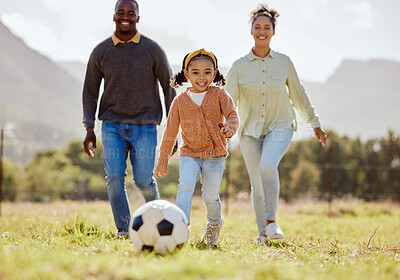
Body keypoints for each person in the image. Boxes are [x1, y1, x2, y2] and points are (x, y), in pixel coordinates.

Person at [225, 4, 327, 243]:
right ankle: (263, 233)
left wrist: (314, 123)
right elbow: (227, 102)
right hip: (249, 131)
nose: (262, 31)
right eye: (257, 27)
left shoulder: (284, 62)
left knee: (268, 166)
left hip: (281, 125)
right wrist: (223, 127)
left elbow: (298, 95)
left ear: (273, 32)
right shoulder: (239, 66)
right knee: (257, 184)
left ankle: (271, 221)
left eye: (267, 27)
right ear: (251, 30)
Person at [82, 0, 176, 237]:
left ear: (137, 18)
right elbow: (90, 90)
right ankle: (124, 230)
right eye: (121, 13)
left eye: (130, 13)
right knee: (114, 178)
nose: (125, 17)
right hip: (112, 125)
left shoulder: (152, 50)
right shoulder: (101, 51)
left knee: (144, 181)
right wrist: (89, 127)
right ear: (114, 16)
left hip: (145, 126)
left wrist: (173, 131)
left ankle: (157, 221)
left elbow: (169, 87)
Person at [154, 49, 240, 247]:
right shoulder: (179, 102)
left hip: (215, 154)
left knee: (210, 196)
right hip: (189, 153)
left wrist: (230, 127)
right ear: (186, 73)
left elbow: (233, 116)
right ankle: (180, 230)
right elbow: (170, 132)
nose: (202, 77)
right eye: (196, 72)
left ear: (215, 72)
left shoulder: (220, 95)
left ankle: (214, 224)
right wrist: (163, 159)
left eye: (207, 72)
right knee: (184, 189)